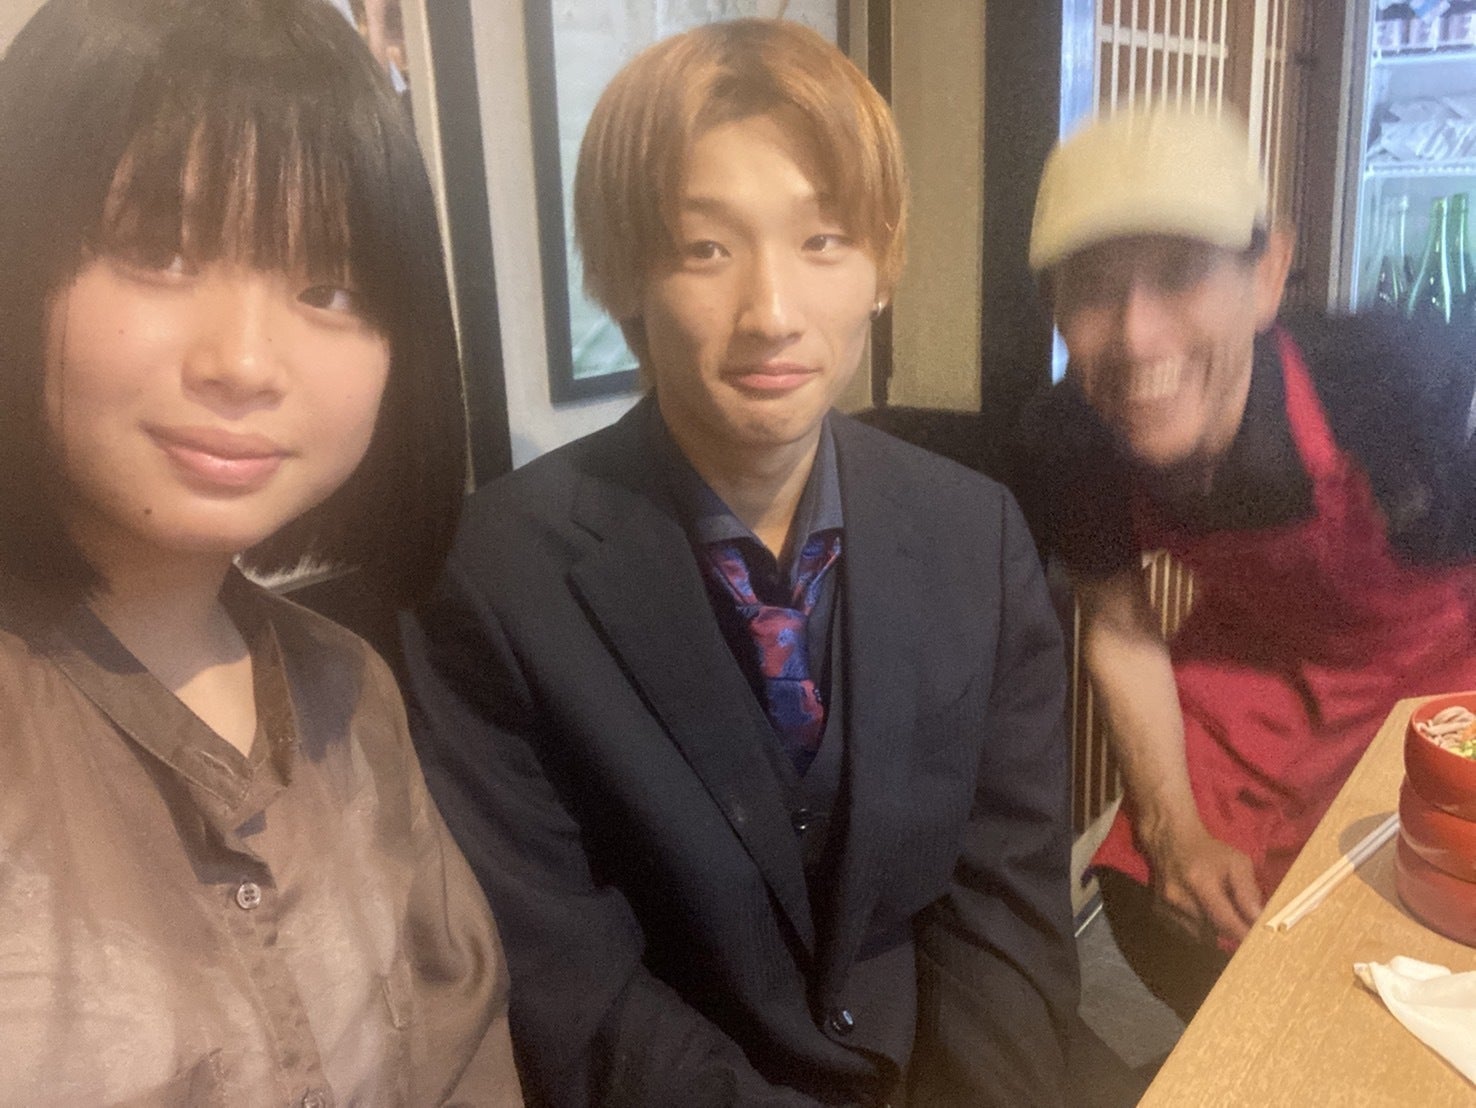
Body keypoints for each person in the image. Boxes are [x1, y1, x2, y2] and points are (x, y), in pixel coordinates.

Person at [402, 18, 1078, 1107]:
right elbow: (573, 990)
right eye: (705, 249)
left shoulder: (976, 534)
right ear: (625, 276)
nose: (772, 314)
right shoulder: (496, 579)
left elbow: (1007, 905)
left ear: (882, 265)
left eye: (823, 241)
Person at [0, 0, 521, 1103]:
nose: (244, 362)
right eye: (158, 251)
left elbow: (464, 1053)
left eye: (328, 289)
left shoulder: (350, 692)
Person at [1019, 105, 1476, 1018]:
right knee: (1166, 899)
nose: (1137, 336)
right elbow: (1118, 622)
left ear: (1266, 276)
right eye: (1094, 288)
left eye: (1181, 274)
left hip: (1447, 682)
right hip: (1260, 671)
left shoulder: (1396, 381)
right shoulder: (1071, 434)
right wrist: (1174, 831)